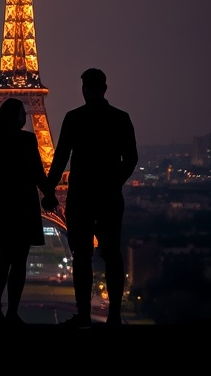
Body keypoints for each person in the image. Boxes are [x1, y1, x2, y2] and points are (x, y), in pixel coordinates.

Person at [43, 68, 138, 327]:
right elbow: (131, 159)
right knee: (112, 254)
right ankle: (114, 315)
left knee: (81, 256)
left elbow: (60, 158)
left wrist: (49, 190)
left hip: (81, 196)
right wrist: (114, 182)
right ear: (105, 88)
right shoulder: (120, 118)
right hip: (108, 196)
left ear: (84, 89)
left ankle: (84, 314)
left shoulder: (74, 118)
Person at [0, 97, 58, 326]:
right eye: (23, 112)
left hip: (3, 201)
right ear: (19, 116)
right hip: (24, 201)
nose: (26, 116)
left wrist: (3, 182)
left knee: (4, 259)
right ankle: (12, 312)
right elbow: (37, 173)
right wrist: (49, 196)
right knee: (19, 260)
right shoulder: (28, 140)